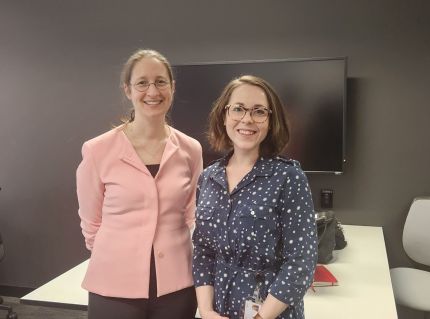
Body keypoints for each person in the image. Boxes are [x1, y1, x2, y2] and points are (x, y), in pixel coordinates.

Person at [76, 49, 202, 319]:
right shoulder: (98, 150)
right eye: (142, 83)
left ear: (172, 87)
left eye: (160, 81)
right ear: (128, 90)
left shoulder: (191, 149)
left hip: (177, 286)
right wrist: (117, 257)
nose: (152, 91)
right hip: (113, 285)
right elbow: (91, 223)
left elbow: (191, 212)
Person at [192, 75, 317, 319]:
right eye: (238, 109)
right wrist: (206, 311)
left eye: (259, 111)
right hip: (219, 311)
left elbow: (301, 263)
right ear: (224, 115)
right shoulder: (208, 178)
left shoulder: (288, 176)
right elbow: (203, 252)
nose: (247, 119)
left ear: (271, 121)